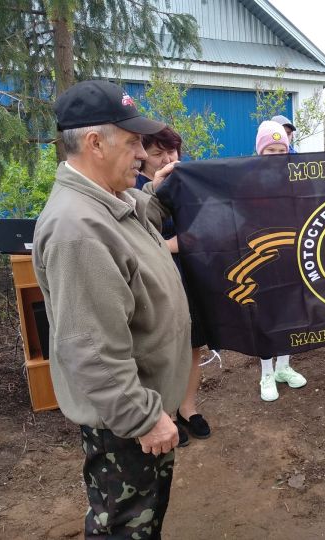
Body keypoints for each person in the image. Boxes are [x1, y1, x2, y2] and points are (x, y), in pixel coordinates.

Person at [33, 80, 191, 537]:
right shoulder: (77, 229)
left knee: (146, 517)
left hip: (143, 403)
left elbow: (141, 219)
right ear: (94, 143)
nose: (143, 154)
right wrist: (143, 418)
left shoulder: (111, 200)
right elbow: (92, 349)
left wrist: (157, 192)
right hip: (125, 420)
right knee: (125, 527)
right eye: (134, 142)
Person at [135, 127, 212, 445]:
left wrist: (175, 243)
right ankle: (162, 414)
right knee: (162, 349)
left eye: (172, 152)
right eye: (158, 153)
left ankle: (188, 408)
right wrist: (168, 245)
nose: (167, 159)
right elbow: (133, 240)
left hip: (188, 273)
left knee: (192, 345)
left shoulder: (186, 183)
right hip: (154, 277)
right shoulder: (133, 188)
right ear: (141, 157)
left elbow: (204, 226)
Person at [255, 120, 307, 400]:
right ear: (260, 152)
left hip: (291, 258)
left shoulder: (296, 179)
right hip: (263, 261)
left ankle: (283, 367)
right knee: (266, 316)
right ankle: (265, 373)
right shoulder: (248, 181)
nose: (277, 155)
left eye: (281, 149)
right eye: (270, 150)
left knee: (289, 314)